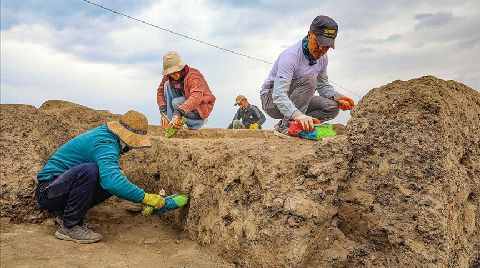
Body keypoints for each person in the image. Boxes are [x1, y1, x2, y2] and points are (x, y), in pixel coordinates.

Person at [36, 110, 165, 244]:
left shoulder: (108, 137)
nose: (131, 148)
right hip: (47, 191)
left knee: (109, 177)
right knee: (92, 171)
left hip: (59, 189)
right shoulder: (105, 143)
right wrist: (145, 197)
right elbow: (112, 182)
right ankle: (70, 226)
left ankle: (70, 217)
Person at [260, 15, 355, 138]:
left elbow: (323, 85)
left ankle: (298, 125)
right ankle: (287, 126)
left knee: (331, 108)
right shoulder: (291, 56)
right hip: (271, 101)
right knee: (309, 80)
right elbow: (279, 94)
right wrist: (298, 115)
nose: (321, 49)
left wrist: (337, 97)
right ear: (310, 35)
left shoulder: (323, 58)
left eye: (326, 46)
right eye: (319, 42)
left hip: (296, 101)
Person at [157, 51, 216, 130]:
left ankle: (197, 122)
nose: (174, 76)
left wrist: (179, 112)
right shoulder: (168, 76)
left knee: (176, 102)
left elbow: (196, 97)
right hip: (182, 103)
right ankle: (171, 123)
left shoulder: (194, 76)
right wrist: (163, 112)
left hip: (199, 107)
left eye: (176, 72)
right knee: (167, 85)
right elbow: (160, 92)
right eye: (171, 73)